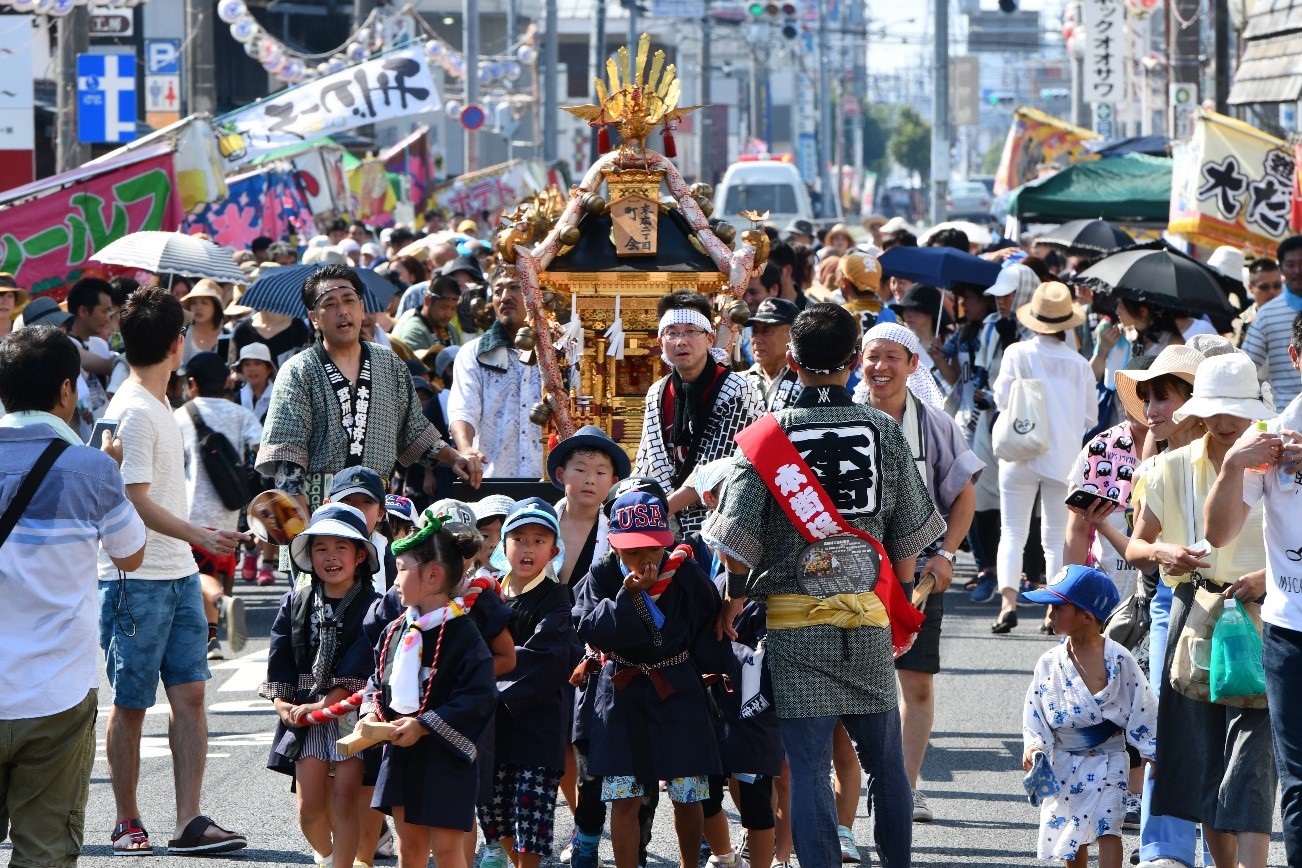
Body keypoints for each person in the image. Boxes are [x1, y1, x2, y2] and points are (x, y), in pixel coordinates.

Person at [703, 303, 946, 868]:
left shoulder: (766, 438)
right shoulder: (882, 429)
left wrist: (733, 599)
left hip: (794, 623)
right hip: (867, 618)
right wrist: (897, 597)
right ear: (852, 363)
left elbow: (735, 541)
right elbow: (910, 537)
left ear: (792, 359)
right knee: (887, 761)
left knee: (808, 763)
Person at [97, 286, 248, 855]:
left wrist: (195, 541)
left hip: (178, 573)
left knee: (190, 697)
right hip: (135, 580)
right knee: (130, 703)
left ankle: (188, 821)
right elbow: (131, 497)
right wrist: (199, 534)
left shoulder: (157, 400)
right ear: (176, 343)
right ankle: (126, 820)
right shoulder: (134, 407)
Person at [0, 324, 146, 867]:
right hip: (55, 692)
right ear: (66, 391)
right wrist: (108, 465)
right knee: (45, 852)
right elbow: (130, 554)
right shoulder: (92, 469)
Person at [1125, 352, 1274, 868]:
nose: (1226, 422)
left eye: (1236, 409)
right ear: (1198, 409)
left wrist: (1271, 579)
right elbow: (1135, 548)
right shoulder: (1165, 467)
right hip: (1194, 609)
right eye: (1215, 410)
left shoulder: (1279, 458)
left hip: (1266, 611)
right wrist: (1163, 552)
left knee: (1254, 757)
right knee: (1204, 753)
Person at [858, 322, 982, 823]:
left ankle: (903, 787)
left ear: (913, 366)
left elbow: (963, 495)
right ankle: (853, 783)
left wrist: (948, 553)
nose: (880, 367)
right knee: (853, 682)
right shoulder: (842, 418)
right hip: (854, 564)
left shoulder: (936, 424)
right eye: (871, 356)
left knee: (917, 683)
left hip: (920, 572)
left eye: (893, 357)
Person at [573, 490, 732, 868]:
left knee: (689, 793)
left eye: (653, 549)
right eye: (631, 551)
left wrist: (724, 655)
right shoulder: (604, 573)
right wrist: (627, 598)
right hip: (622, 690)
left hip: (677, 688)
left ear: (667, 540)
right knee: (624, 797)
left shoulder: (686, 572)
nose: (644, 559)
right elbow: (589, 629)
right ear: (613, 545)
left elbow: (709, 627)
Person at [258, 264, 478, 524]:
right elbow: (288, 459)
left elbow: (414, 432)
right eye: (329, 304)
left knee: (377, 563)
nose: (342, 311)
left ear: (362, 307)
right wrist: (300, 526)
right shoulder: (298, 370)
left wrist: (454, 457)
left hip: (375, 506)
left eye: (349, 300)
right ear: (314, 318)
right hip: (315, 510)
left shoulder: (389, 363)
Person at [1203, 311, 1302, 867]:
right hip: (1289, 631)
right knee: (1298, 781)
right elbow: (1219, 532)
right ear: (1295, 358)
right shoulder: (1272, 438)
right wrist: (1233, 466)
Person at [364, 520, 500, 868]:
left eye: (402, 570)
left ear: (433, 576)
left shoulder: (465, 635)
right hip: (401, 750)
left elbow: (479, 696)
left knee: (446, 849)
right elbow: (377, 679)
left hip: (446, 756)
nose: (395, 581)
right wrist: (370, 713)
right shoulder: (396, 629)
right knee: (408, 847)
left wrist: (424, 725)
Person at [261, 503, 381, 868]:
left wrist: (329, 703)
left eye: (341, 547)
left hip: (353, 711)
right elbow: (280, 654)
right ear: (308, 554)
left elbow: (363, 658)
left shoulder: (374, 606)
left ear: (360, 554)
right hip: (303, 709)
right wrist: (282, 704)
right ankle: (328, 857)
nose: (331, 557)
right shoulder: (295, 601)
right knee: (309, 809)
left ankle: (347, 863)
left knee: (346, 798)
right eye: (320, 548)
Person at [1021, 566, 1158, 868]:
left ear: (1086, 615)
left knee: (1109, 828)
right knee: (1072, 834)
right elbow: (1036, 710)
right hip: (1065, 760)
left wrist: (1152, 751)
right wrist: (1034, 746)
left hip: (1109, 758)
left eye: (1058, 608)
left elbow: (1142, 705)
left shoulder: (1119, 657)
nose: (1050, 615)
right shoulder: (1048, 663)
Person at [990, 282, 1096, 633]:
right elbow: (1088, 419)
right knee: (1053, 538)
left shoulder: (1017, 353)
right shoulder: (1080, 364)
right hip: (1063, 459)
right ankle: (1052, 612)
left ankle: (1007, 604)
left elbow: (1001, 399)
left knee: (1013, 531)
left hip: (1020, 453)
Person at [478, 500, 576, 868]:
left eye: (539, 540)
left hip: (538, 723)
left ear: (553, 550)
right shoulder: (486, 594)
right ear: (502, 546)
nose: (528, 548)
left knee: (531, 818)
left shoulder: (557, 598)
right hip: (491, 722)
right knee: (494, 810)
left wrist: (482, 678)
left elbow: (545, 659)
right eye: (518, 538)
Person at [633, 290, 761, 534]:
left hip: (721, 519)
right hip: (665, 519)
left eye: (691, 331)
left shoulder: (736, 389)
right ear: (661, 343)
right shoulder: (656, 392)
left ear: (710, 338)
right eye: (672, 333)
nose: (681, 341)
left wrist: (657, 512)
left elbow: (714, 468)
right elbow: (645, 463)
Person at [174, 351, 261, 660]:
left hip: (190, 513)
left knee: (194, 573)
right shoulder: (240, 414)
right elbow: (261, 448)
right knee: (217, 569)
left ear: (192, 383)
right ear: (226, 381)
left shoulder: (181, 416)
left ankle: (222, 603)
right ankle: (212, 639)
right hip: (229, 510)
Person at [447, 266, 545, 479]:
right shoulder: (473, 353)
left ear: (537, 292)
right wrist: (465, 448)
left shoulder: (561, 351)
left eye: (514, 287)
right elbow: (463, 409)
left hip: (551, 479)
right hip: (491, 479)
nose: (505, 297)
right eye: (498, 291)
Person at [549, 426, 629, 586]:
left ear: (613, 483)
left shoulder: (618, 531)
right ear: (560, 475)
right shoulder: (541, 523)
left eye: (600, 473)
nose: (590, 480)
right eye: (580, 469)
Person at [745, 297, 802, 412]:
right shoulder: (741, 381)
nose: (757, 339)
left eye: (766, 331)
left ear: (793, 335)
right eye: (755, 331)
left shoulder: (807, 382)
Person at [394, 275, 463, 352]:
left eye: (453, 308)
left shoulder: (451, 329)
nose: (449, 314)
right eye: (444, 307)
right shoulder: (414, 332)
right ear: (427, 300)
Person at [179, 281, 226, 364]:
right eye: (194, 303)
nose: (198, 307)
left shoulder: (226, 335)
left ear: (216, 307)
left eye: (204, 303)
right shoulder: (181, 334)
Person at [236, 341, 276, 423]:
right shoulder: (237, 398)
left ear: (268, 369)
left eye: (257, 364)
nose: (252, 369)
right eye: (247, 364)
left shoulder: (280, 398)